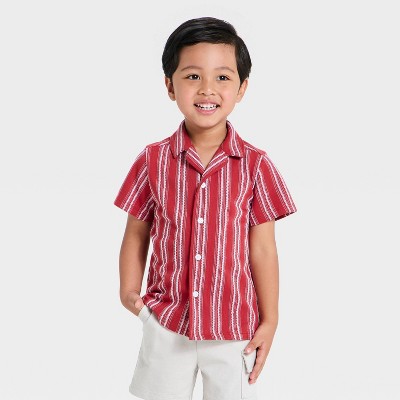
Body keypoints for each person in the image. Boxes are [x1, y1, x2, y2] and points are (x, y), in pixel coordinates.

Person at [114, 16, 297, 400]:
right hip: (167, 322)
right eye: (193, 76)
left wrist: (271, 320)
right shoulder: (151, 160)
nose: (207, 89)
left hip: (233, 328)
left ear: (242, 88)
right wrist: (130, 294)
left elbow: (263, 249)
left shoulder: (256, 165)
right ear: (170, 85)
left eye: (223, 77)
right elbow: (137, 233)